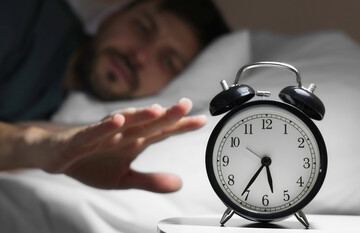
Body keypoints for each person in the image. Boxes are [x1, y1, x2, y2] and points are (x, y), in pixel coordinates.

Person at [0, 0, 229, 192]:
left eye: (168, 61)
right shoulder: (23, 15)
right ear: (112, 17)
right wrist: (32, 145)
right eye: (142, 28)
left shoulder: (75, 116)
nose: (139, 56)